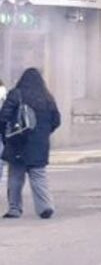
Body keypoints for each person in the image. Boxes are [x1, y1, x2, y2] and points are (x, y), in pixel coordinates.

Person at [0, 69, 60, 219]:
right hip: (39, 144)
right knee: (38, 175)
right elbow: (56, 120)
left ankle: (14, 208)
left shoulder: (16, 94)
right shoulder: (47, 97)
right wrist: (44, 134)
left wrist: (6, 136)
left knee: (15, 176)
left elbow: (3, 117)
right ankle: (45, 207)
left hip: (17, 141)